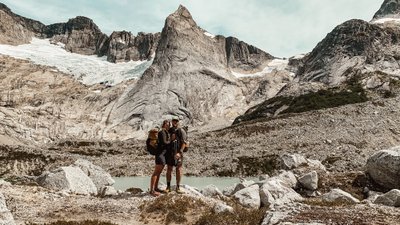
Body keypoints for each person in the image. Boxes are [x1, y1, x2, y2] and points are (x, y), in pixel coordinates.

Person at [149, 120, 172, 197]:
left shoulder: (165, 132)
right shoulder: (162, 132)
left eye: (169, 124)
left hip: (162, 155)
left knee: (158, 173)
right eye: (167, 124)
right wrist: (171, 141)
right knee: (156, 172)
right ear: (164, 125)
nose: (168, 125)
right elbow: (164, 142)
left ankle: (155, 188)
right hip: (160, 155)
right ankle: (152, 190)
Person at [165, 117, 188, 193]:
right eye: (173, 121)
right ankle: (168, 187)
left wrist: (180, 152)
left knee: (178, 169)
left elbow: (184, 143)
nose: (175, 122)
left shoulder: (181, 131)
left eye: (176, 121)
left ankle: (178, 187)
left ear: (178, 122)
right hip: (170, 153)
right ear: (172, 122)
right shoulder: (169, 130)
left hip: (178, 153)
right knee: (169, 169)